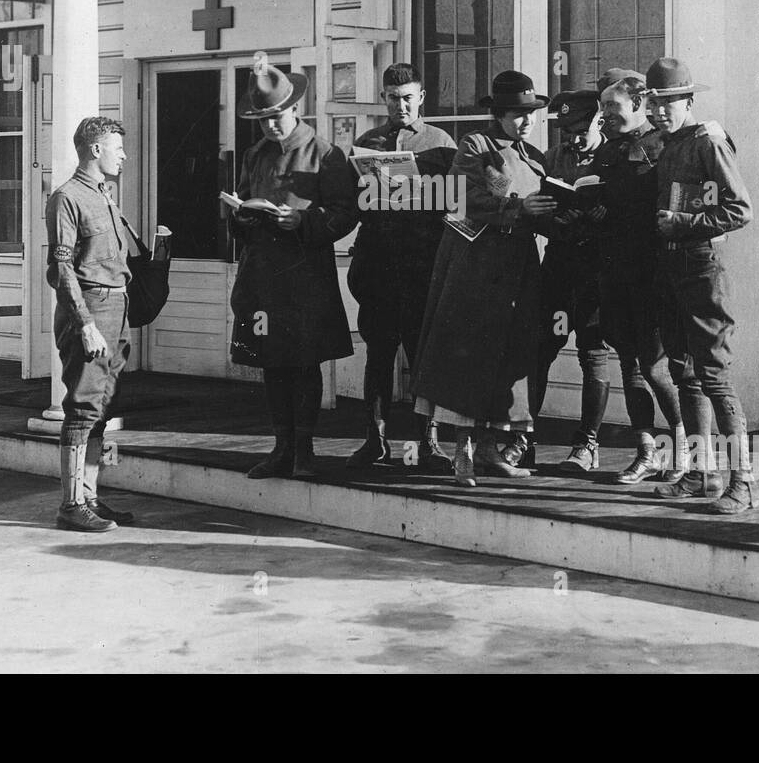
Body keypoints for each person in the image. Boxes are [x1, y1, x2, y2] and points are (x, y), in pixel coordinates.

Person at [411, 70, 558, 487]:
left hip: (520, 267)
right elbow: (461, 196)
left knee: (510, 353)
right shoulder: (476, 146)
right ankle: (462, 453)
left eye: (530, 114)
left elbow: (541, 207)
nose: (525, 122)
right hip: (477, 266)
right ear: (498, 113)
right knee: (470, 355)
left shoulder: (535, 156)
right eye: (516, 114)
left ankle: (493, 447)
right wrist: (516, 207)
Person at [229, 62, 359, 479]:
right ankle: (281, 447)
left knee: (305, 363)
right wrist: (243, 218)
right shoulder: (254, 155)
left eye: (276, 117)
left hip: (306, 277)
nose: (270, 126)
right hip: (263, 277)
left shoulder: (326, 153)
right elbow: (241, 205)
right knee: (271, 361)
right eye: (262, 120)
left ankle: (305, 451)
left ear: (295, 108)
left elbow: (346, 214)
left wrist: (304, 221)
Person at [644, 58, 757, 514]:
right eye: (656, 103)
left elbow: (739, 210)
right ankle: (701, 472)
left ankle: (743, 482)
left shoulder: (707, 141)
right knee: (683, 371)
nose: (662, 111)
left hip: (702, 269)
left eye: (671, 103)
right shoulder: (669, 145)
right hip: (671, 270)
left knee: (713, 374)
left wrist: (683, 222)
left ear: (689, 101)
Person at [346, 63, 458, 473]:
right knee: (378, 355)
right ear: (383, 98)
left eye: (408, 97)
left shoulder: (441, 142)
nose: (401, 105)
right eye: (393, 98)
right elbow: (353, 204)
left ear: (422, 97)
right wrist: (365, 190)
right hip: (378, 266)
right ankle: (374, 441)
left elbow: (455, 202)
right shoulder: (367, 142)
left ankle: (427, 442)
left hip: (421, 266)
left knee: (422, 357)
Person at [590, 72, 687, 485]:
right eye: (603, 107)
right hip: (614, 273)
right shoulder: (607, 151)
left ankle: (683, 451)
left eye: (612, 107)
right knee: (629, 364)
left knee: (655, 366)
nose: (605, 115)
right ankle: (646, 451)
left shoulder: (664, 146)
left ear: (638, 104)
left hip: (652, 274)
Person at [45, 116, 136, 533]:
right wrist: (85, 324)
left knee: (102, 406)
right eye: (117, 148)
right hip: (91, 309)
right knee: (82, 407)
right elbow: (62, 269)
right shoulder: (66, 197)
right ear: (95, 150)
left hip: (116, 307)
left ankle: (90, 497)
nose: (123, 155)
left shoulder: (105, 195)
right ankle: (70, 504)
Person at [527, 89, 613, 474]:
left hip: (595, 270)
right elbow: (540, 209)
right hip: (559, 266)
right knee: (543, 346)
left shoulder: (613, 158)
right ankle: (523, 438)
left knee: (592, 352)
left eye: (580, 130)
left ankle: (586, 445)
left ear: (598, 120)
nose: (573, 139)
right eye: (566, 132)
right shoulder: (553, 158)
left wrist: (601, 217)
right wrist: (551, 220)